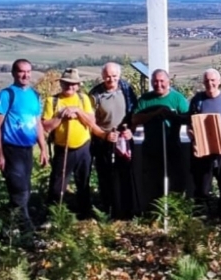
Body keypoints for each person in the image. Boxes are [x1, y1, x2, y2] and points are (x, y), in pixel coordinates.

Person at [0, 59, 49, 232]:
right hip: (11, 149)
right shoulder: (6, 95)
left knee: (25, 190)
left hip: (27, 150)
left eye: (28, 71)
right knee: (19, 191)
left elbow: (38, 124)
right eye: (22, 71)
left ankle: (8, 228)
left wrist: (43, 149)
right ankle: (27, 231)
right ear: (14, 73)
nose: (26, 75)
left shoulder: (35, 95)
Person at [131, 69, 190, 214]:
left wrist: (172, 116)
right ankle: (154, 212)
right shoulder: (145, 99)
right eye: (155, 81)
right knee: (152, 180)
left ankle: (175, 211)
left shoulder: (177, 98)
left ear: (168, 81)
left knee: (175, 179)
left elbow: (188, 118)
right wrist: (154, 114)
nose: (159, 84)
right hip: (151, 147)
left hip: (173, 146)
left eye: (162, 81)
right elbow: (135, 119)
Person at [42, 68, 96, 219]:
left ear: (78, 85)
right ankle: (53, 216)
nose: (70, 86)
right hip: (62, 148)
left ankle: (85, 214)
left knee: (83, 182)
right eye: (66, 83)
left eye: (73, 84)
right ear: (61, 83)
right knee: (57, 184)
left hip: (84, 147)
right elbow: (46, 126)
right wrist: (61, 116)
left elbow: (92, 122)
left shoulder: (84, 99)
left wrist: (78, 112)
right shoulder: (52, 101)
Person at [188, 68, 221, 218]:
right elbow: (190, 126)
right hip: (203, 150)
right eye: (207, 81)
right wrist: (194, 142)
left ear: (219, 81)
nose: (210, 83)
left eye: (213, 80)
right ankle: (202, 217)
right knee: (202, 186)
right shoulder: (197, 100)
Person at [88, 62, 138, 220]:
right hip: (104, 140)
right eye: (108, 76)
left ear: (119, 75)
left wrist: (131, 130)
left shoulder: (127, 90)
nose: (111, 79)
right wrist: (104, 135)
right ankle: (109, 210)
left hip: (124, 139)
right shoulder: (95, 94)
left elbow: (135, 114)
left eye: (114, 76)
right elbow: (90, 122)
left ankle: (127, 210)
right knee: (106, 176)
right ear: (102, 76)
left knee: (126, 174)